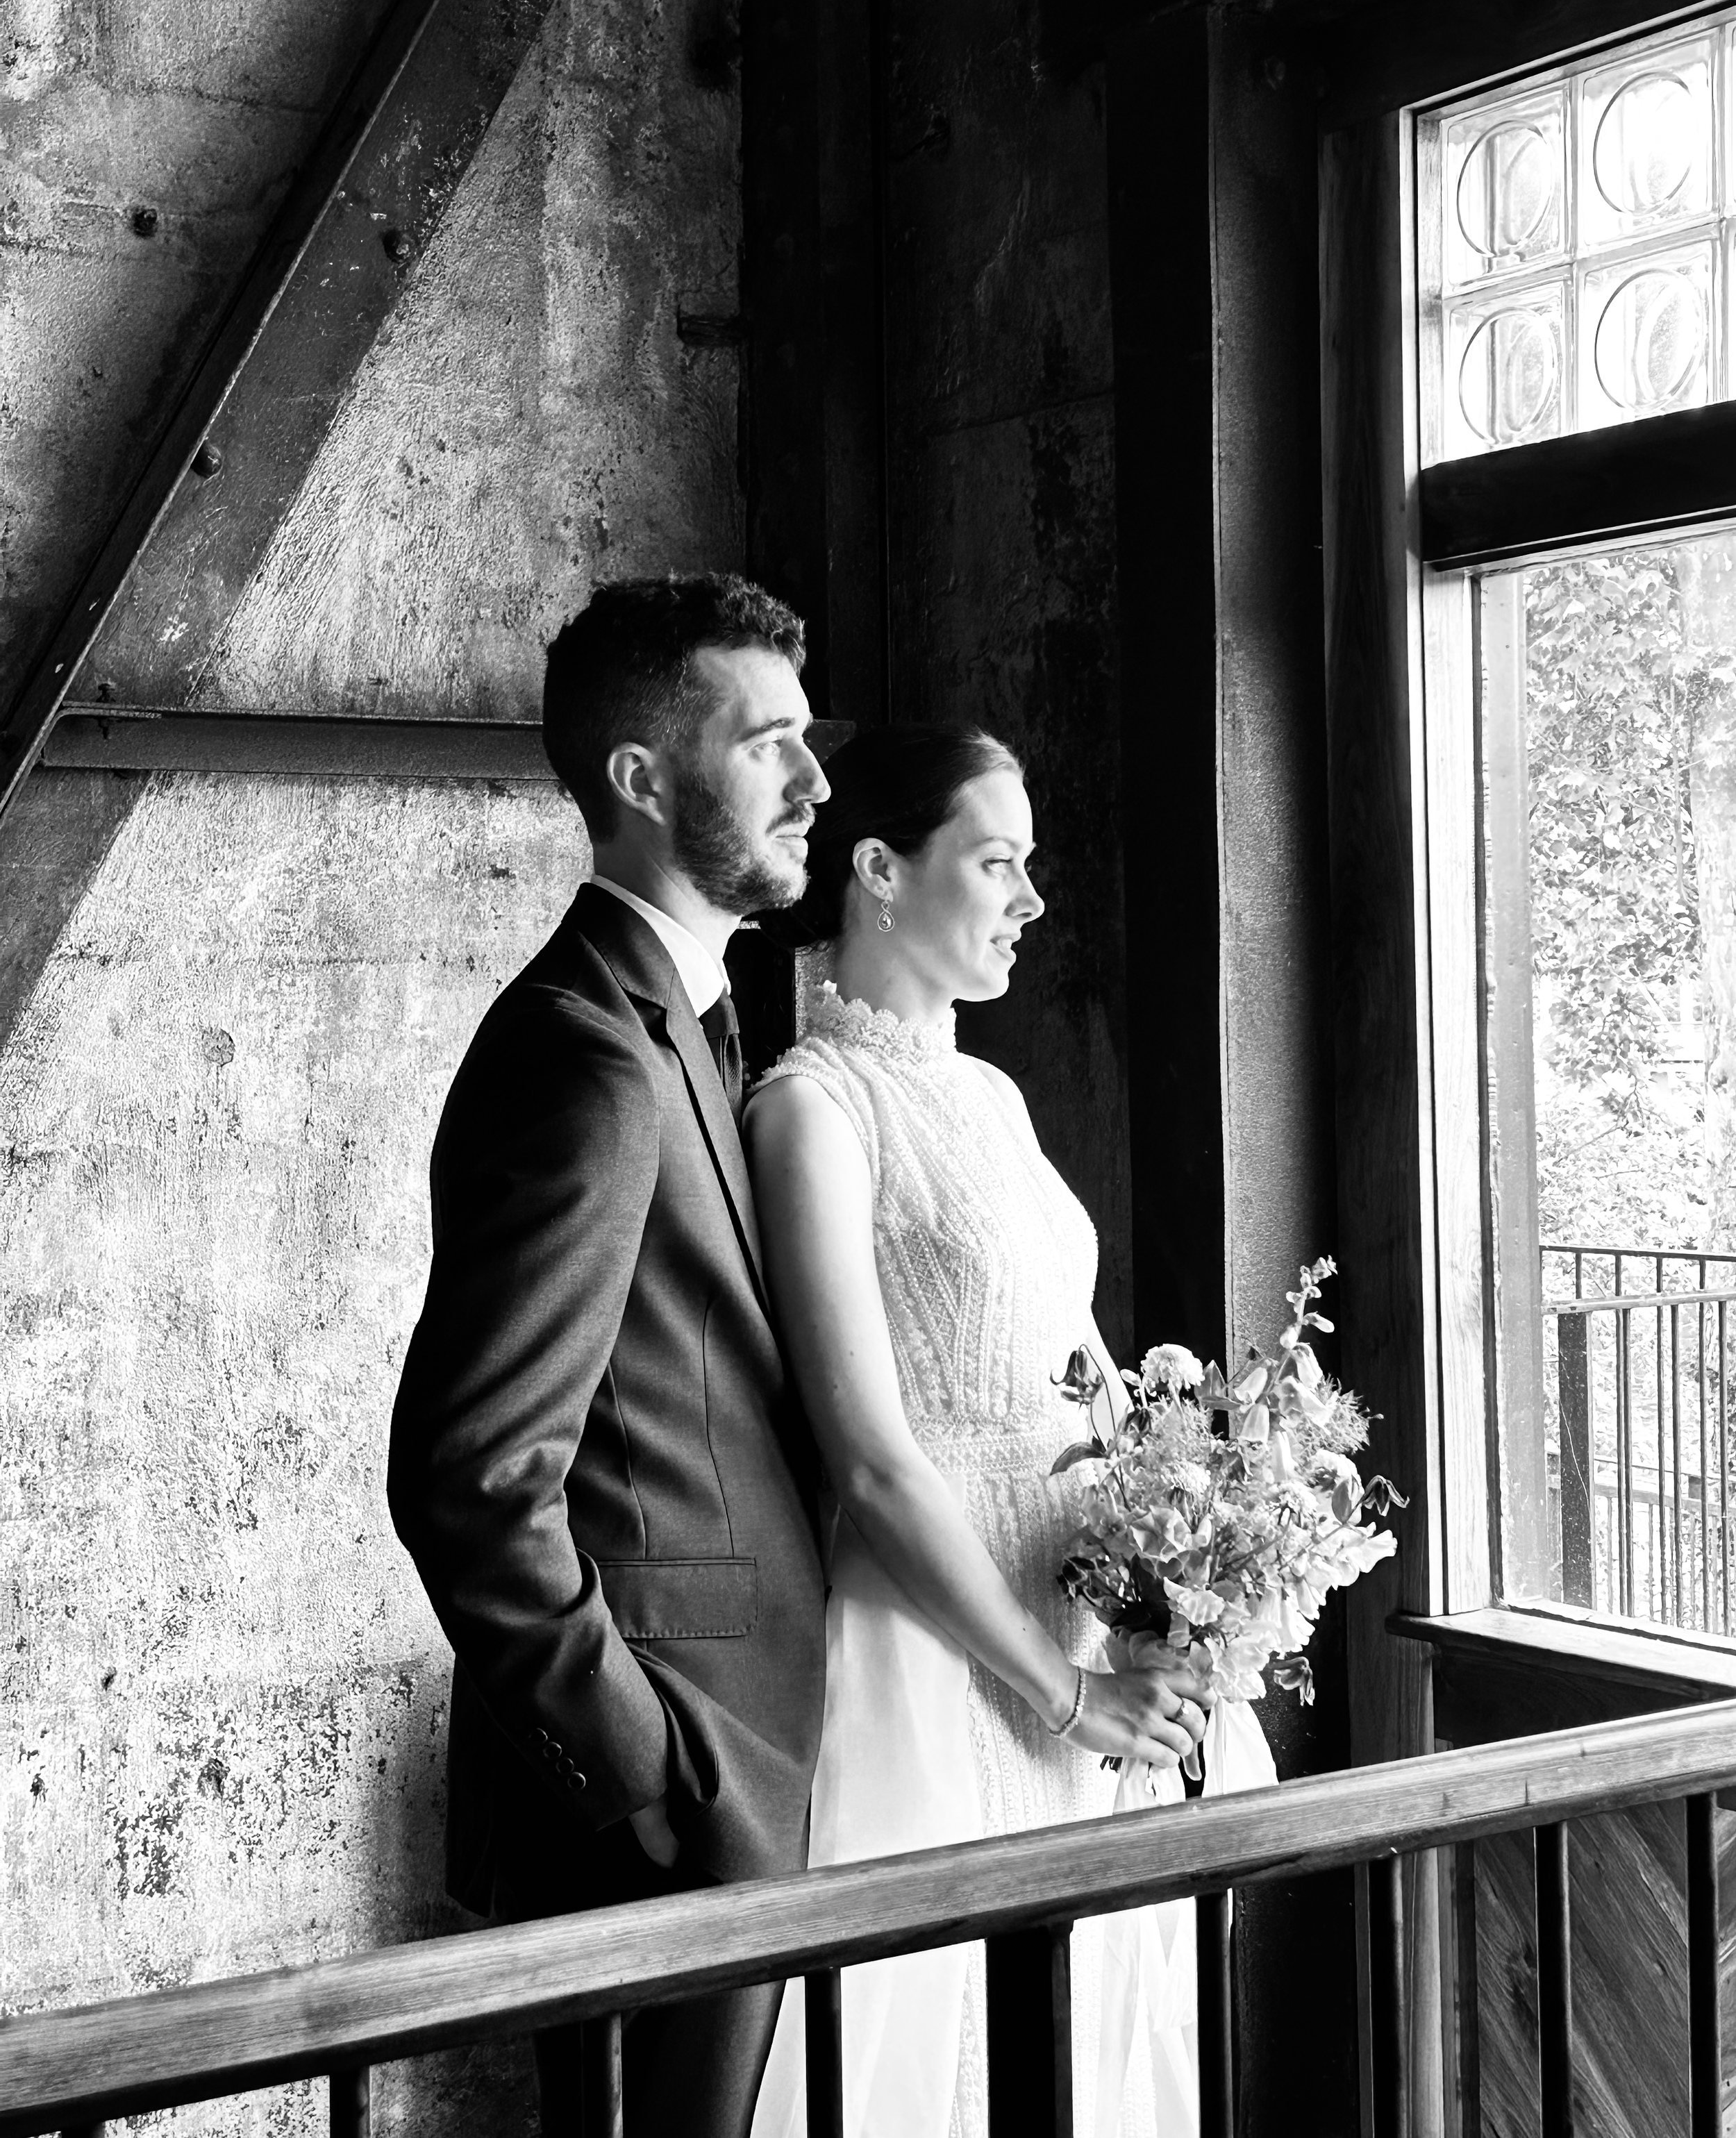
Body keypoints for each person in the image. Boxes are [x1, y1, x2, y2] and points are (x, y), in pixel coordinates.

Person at [387, 576, 832, 2138]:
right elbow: (474, 1478)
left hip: (750, 1763)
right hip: (670, 1787)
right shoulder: (581, 1053)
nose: (814, 782)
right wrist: (646, 1777)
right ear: (642, 781)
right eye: (766, 743)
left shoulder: (680, 1022)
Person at [742, 723, 1212, 2138]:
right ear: (878, 870)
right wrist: (1057, 1692)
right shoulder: (810, 1108)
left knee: (1090, 2043)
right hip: (938, 1637)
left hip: (1070, 1607)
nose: (1029, 899)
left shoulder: (993, 1094)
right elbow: (870, 1462)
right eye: (995, 861)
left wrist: (1183, 1474)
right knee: (930, 2048)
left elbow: (1078, 1372)